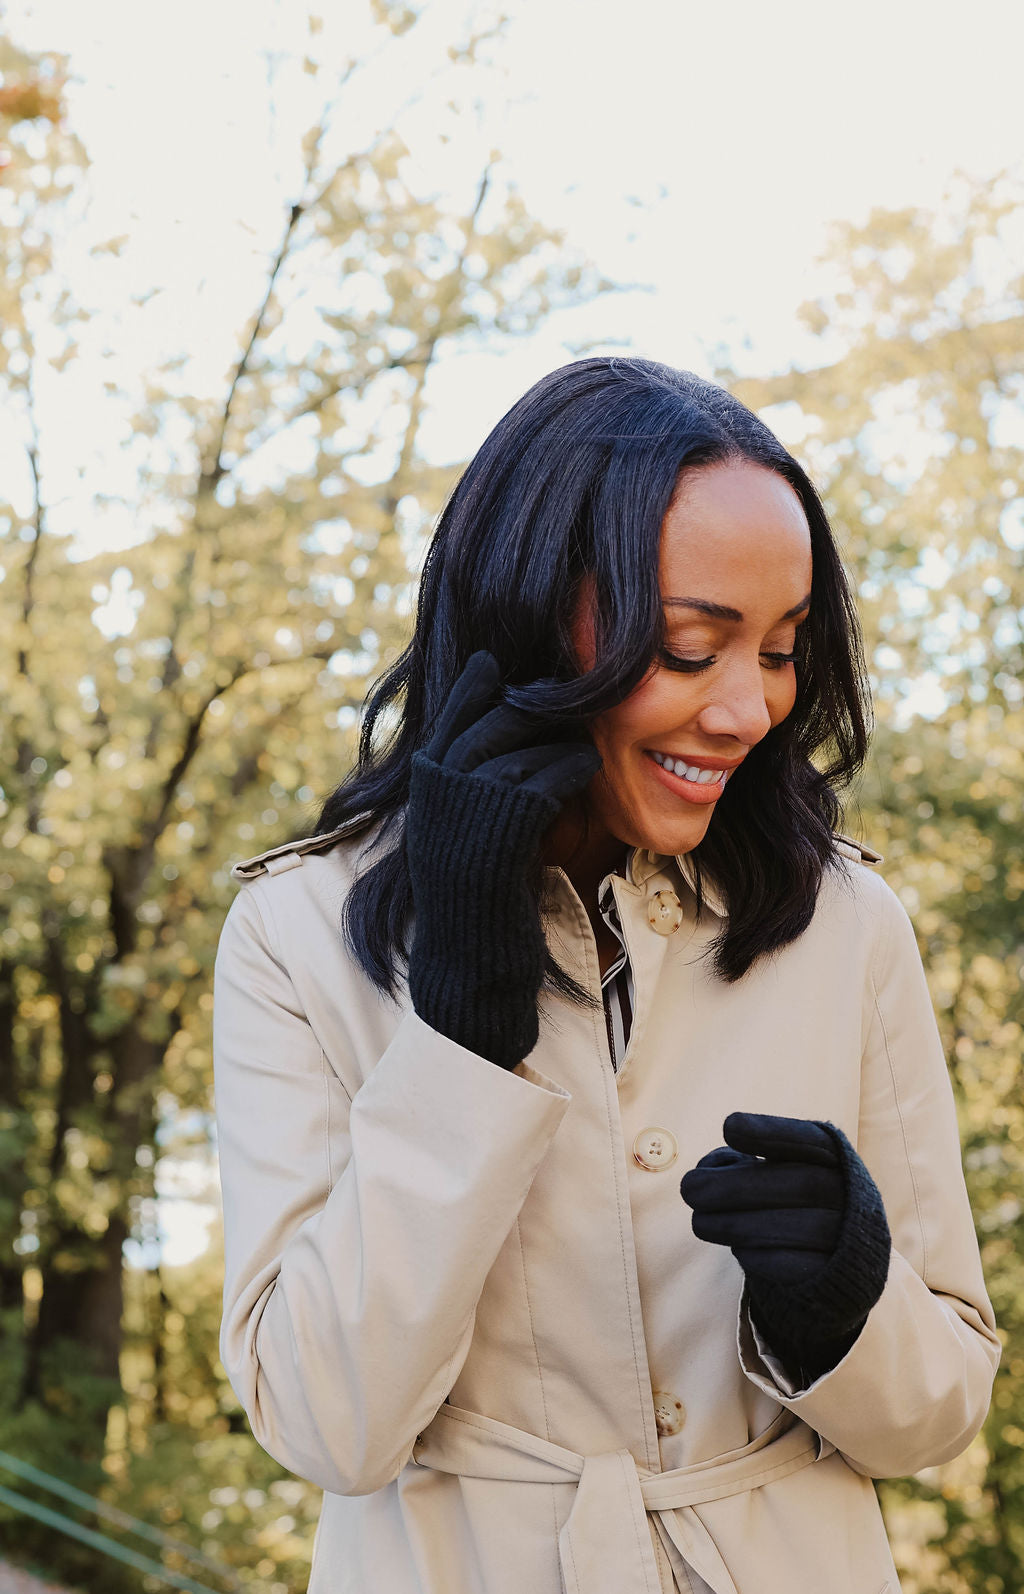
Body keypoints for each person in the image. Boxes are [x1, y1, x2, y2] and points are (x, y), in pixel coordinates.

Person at [213, 357, 998, 1594]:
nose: (749, 709)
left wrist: (840, 1302)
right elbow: (327, 1427)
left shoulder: (847, 922)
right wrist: (462, 1034)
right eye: (690, 649)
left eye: (782, 649)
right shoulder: (294, 933)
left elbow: (938, 1410)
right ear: (528, 613)